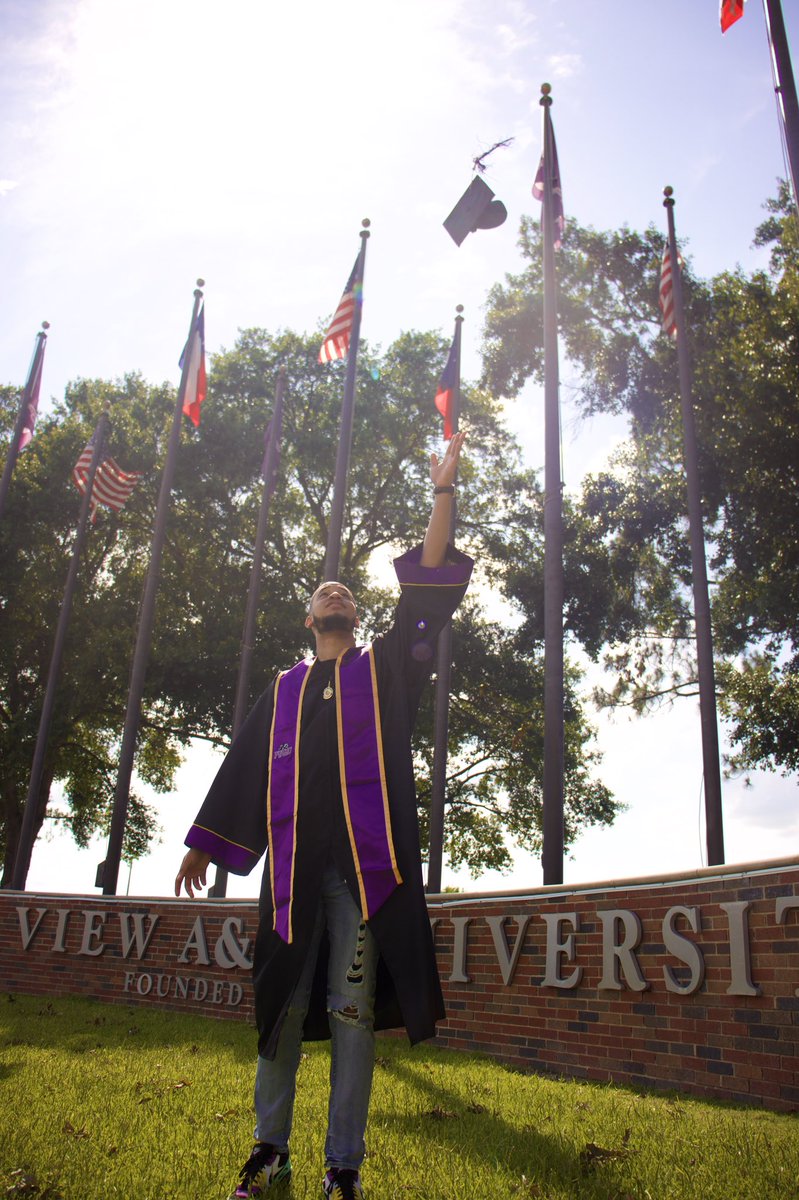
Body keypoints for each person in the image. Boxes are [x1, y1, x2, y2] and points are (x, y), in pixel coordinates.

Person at [175, 431, 472, 1200]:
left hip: (363, 882)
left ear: (354, 614)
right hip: (293, 880)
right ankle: (268, 1155)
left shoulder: (384, 674)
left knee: (350, 1017)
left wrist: (441, 491)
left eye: (345, 591)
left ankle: (344, 1167)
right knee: (280, 1010)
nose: (334, 594)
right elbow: (242, 771)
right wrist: (205, 846)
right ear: (308, 618)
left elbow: (430, 588)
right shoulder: (282, 692)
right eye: (322, 592)